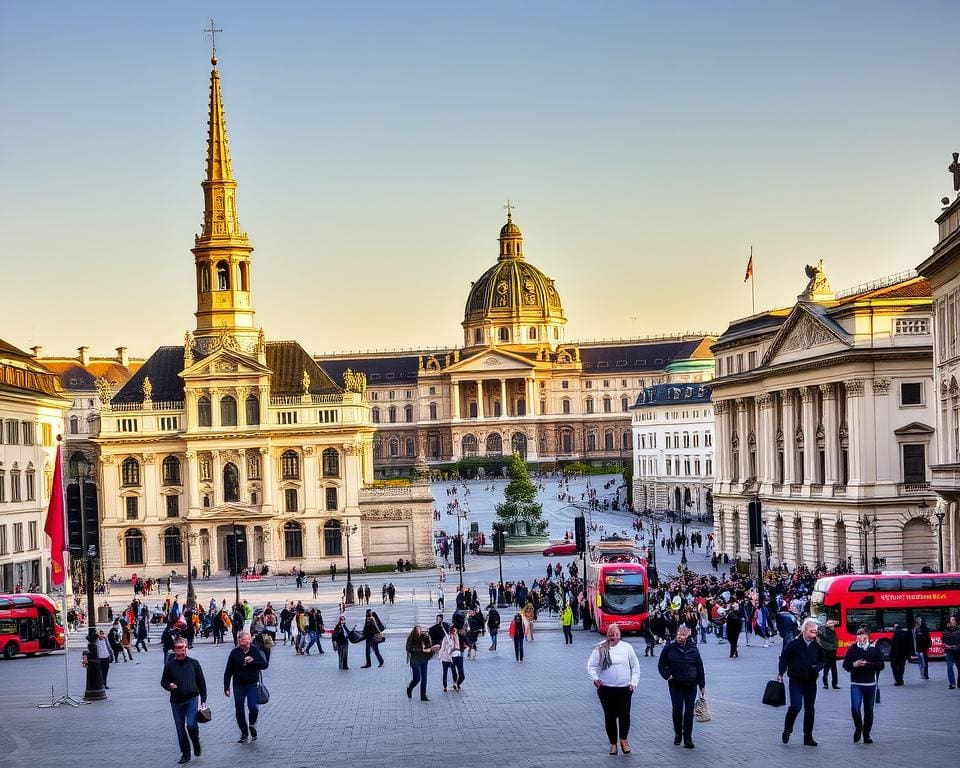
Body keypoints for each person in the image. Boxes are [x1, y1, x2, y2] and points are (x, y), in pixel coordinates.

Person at [588, 623, 641, 755]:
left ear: (620, 635)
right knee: (610, 717)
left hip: (624, 688)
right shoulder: (601, 647)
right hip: (606, 688)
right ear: (607, 635)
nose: (614, 638)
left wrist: (634, 682)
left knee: (625, 716)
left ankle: (623, 740)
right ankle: (613, 744)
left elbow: (635, 666)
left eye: (616, 635)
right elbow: (591, 665)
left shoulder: (627, 648)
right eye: (611, 635)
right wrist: (595, 678)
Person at [778, 618, 825, 747]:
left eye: (816, 632)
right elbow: (784, 659)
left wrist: (818, 667)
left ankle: (808, 736)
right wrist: (781, 673)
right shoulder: (793, 644)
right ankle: (788, 729)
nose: (814, 635)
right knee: (796, 706)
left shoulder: (817, 645)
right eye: (812, 632)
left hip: (811, 681)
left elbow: (822, 660)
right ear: (804, 631)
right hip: (796, 680)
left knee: (810, 709)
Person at [657, 624, 706, 749]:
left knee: (689, 711)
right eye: (679, 634)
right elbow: (661, 665)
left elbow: (699, 666)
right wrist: (667, 676)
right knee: (677, 710)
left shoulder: (693, 648)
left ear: (687, 635)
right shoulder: (669, 648)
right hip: (675, 684)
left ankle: (688, 738)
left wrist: (702, 685)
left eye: (683, 634)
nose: (681, 637)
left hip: (691, 684)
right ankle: (678, 732)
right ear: (676, 634)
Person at [161, 638, 207, 764]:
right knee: (180, 728)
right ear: (174, 649)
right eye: (178, 648)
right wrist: (169, 685)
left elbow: (201, 682)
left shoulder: (194, 663)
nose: (180, 651)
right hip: (176, 701)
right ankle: (185, 753)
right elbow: (163, 681)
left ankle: (196, 742)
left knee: (191, 725)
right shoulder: (170, 665)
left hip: (191, 698)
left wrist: (203, 699)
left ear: (186, 648)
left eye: (183, 648)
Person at [223, 631, 269, 744]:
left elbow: (264, 665)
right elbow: (228, 670)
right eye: (244, 643)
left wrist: (253, 661)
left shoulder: (254, 650)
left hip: (252, 684)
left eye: (248, 642)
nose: (246, 645)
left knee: (253, 707)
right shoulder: (234, 653)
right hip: (238, 685)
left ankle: (252, 724)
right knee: (239, 710)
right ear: (239, 641)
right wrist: (226, 687)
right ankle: (244, 733)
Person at [842, 626, 885, 744]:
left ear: (868, 637)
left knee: (868, 711)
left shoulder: (874, 649)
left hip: (870, 684)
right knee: (855, 707)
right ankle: (858, 727)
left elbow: (881, 665)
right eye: (859, 637)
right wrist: (854, 665)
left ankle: (867, 735)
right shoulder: (853, 648)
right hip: (856, 683)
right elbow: (845, 664)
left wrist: (868, 664)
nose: (862, 639)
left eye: (864, 637)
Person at [405, 625, 438, 701]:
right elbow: (408, 648)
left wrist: (429, 649)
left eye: (420, 630)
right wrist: (421, 650)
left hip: (424, 659)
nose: (418, 632)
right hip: (415, 660)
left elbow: (429, 645)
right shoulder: (411, 637)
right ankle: (410, 688)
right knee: (417, 678)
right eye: (417, 630)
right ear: (414, 631)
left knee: (424, 678)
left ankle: (423, 696)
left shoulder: (425, 637)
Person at [439, 625, 466, 692]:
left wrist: (463, 646)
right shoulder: (447, 639)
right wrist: (440, 656)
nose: (453, 632)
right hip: (451, 658)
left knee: (461, 674)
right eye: (452, 631)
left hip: (459, 656)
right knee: (453, 672)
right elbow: (443, 648)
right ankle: (453, 685)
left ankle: (457, 683)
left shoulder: (459, 636)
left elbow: (462, 645)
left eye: (455, 631)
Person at [817, 618, 840, 689]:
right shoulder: (825, 630)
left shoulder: (833, 631)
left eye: (832, 623)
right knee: (827, 667)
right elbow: (822, 637)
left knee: (833, 668)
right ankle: (826, 683)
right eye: (830, 623)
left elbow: (835, 641)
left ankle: (834, 683)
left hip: (832, 651)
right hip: (827, 651)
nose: (832, 624)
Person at [942, 614, 960, 690]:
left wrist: (956, 647)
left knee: (959, 668)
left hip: (958, 651)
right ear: (949, 622)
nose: (954, 621)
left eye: (954, 620)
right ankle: (952, 683)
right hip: (949, 652)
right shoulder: (945, 631)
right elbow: (943, 642)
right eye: (952, 620)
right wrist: (949, 646)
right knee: (949, 667)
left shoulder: (959, 630)